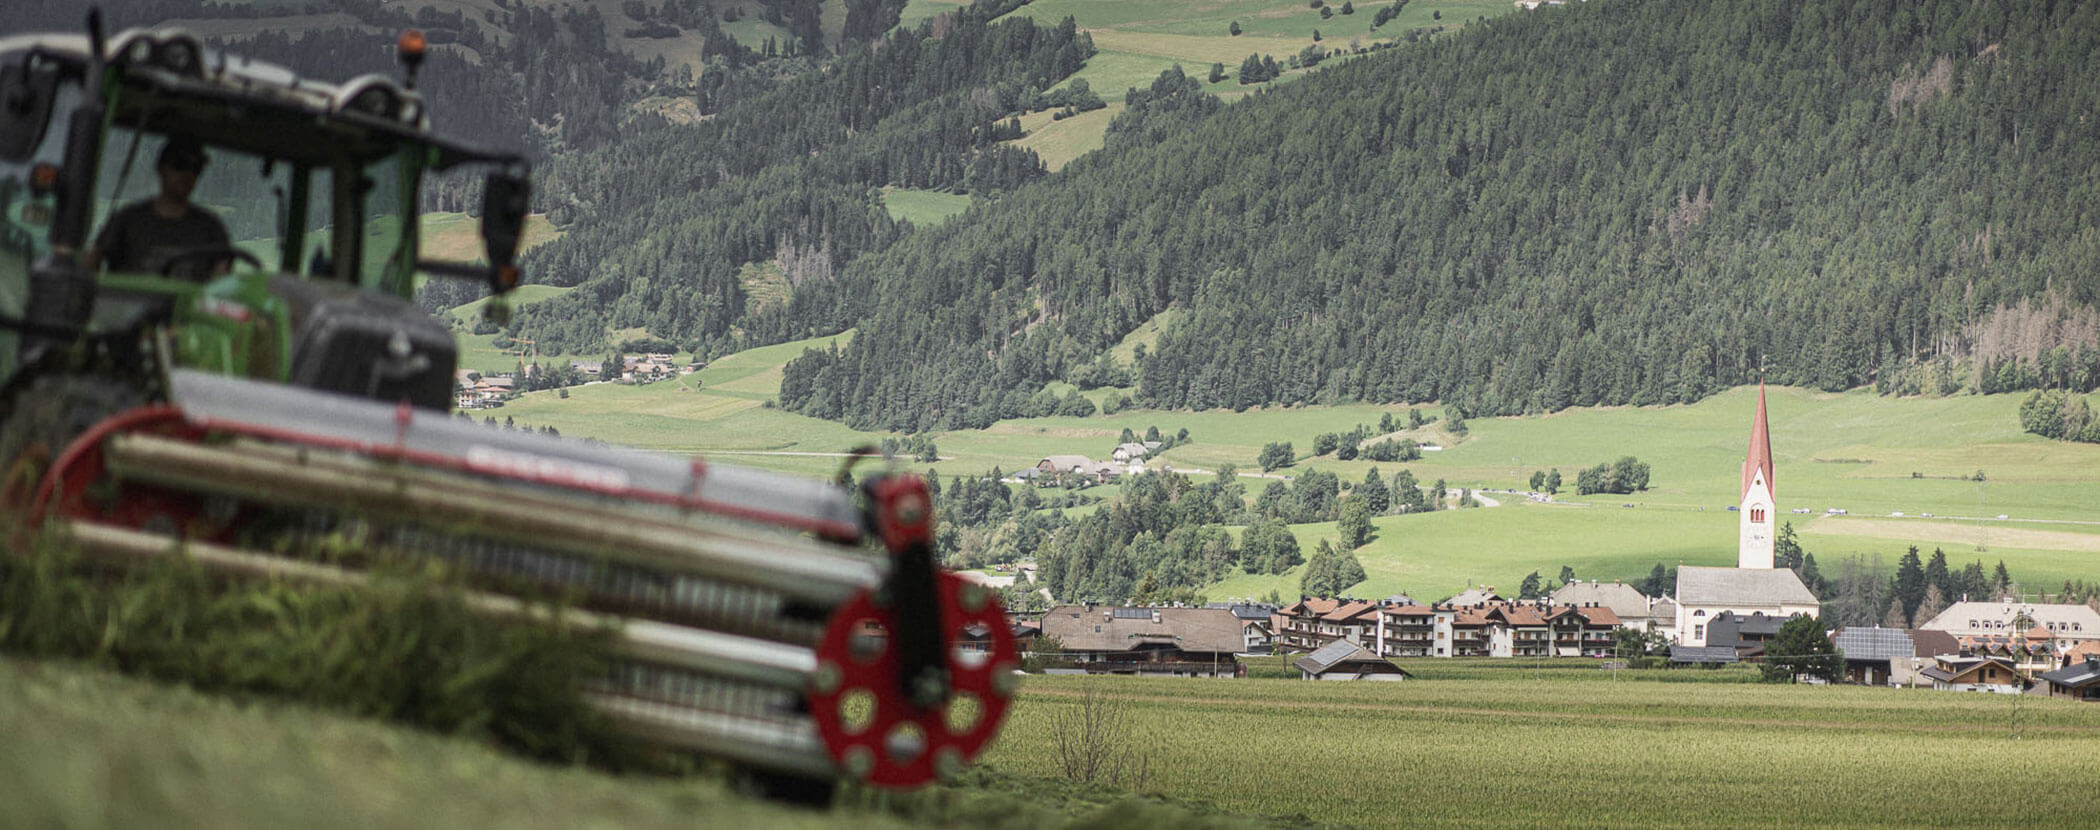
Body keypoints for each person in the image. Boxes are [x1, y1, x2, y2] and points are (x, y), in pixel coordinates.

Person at [83, 136, 231, 278]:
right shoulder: (127, 219)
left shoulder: (211, 228)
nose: (188, 174)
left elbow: (222, 277)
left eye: (196, 168)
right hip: (127, 301)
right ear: (161, 169)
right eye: (180, 165)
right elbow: (92, 262)